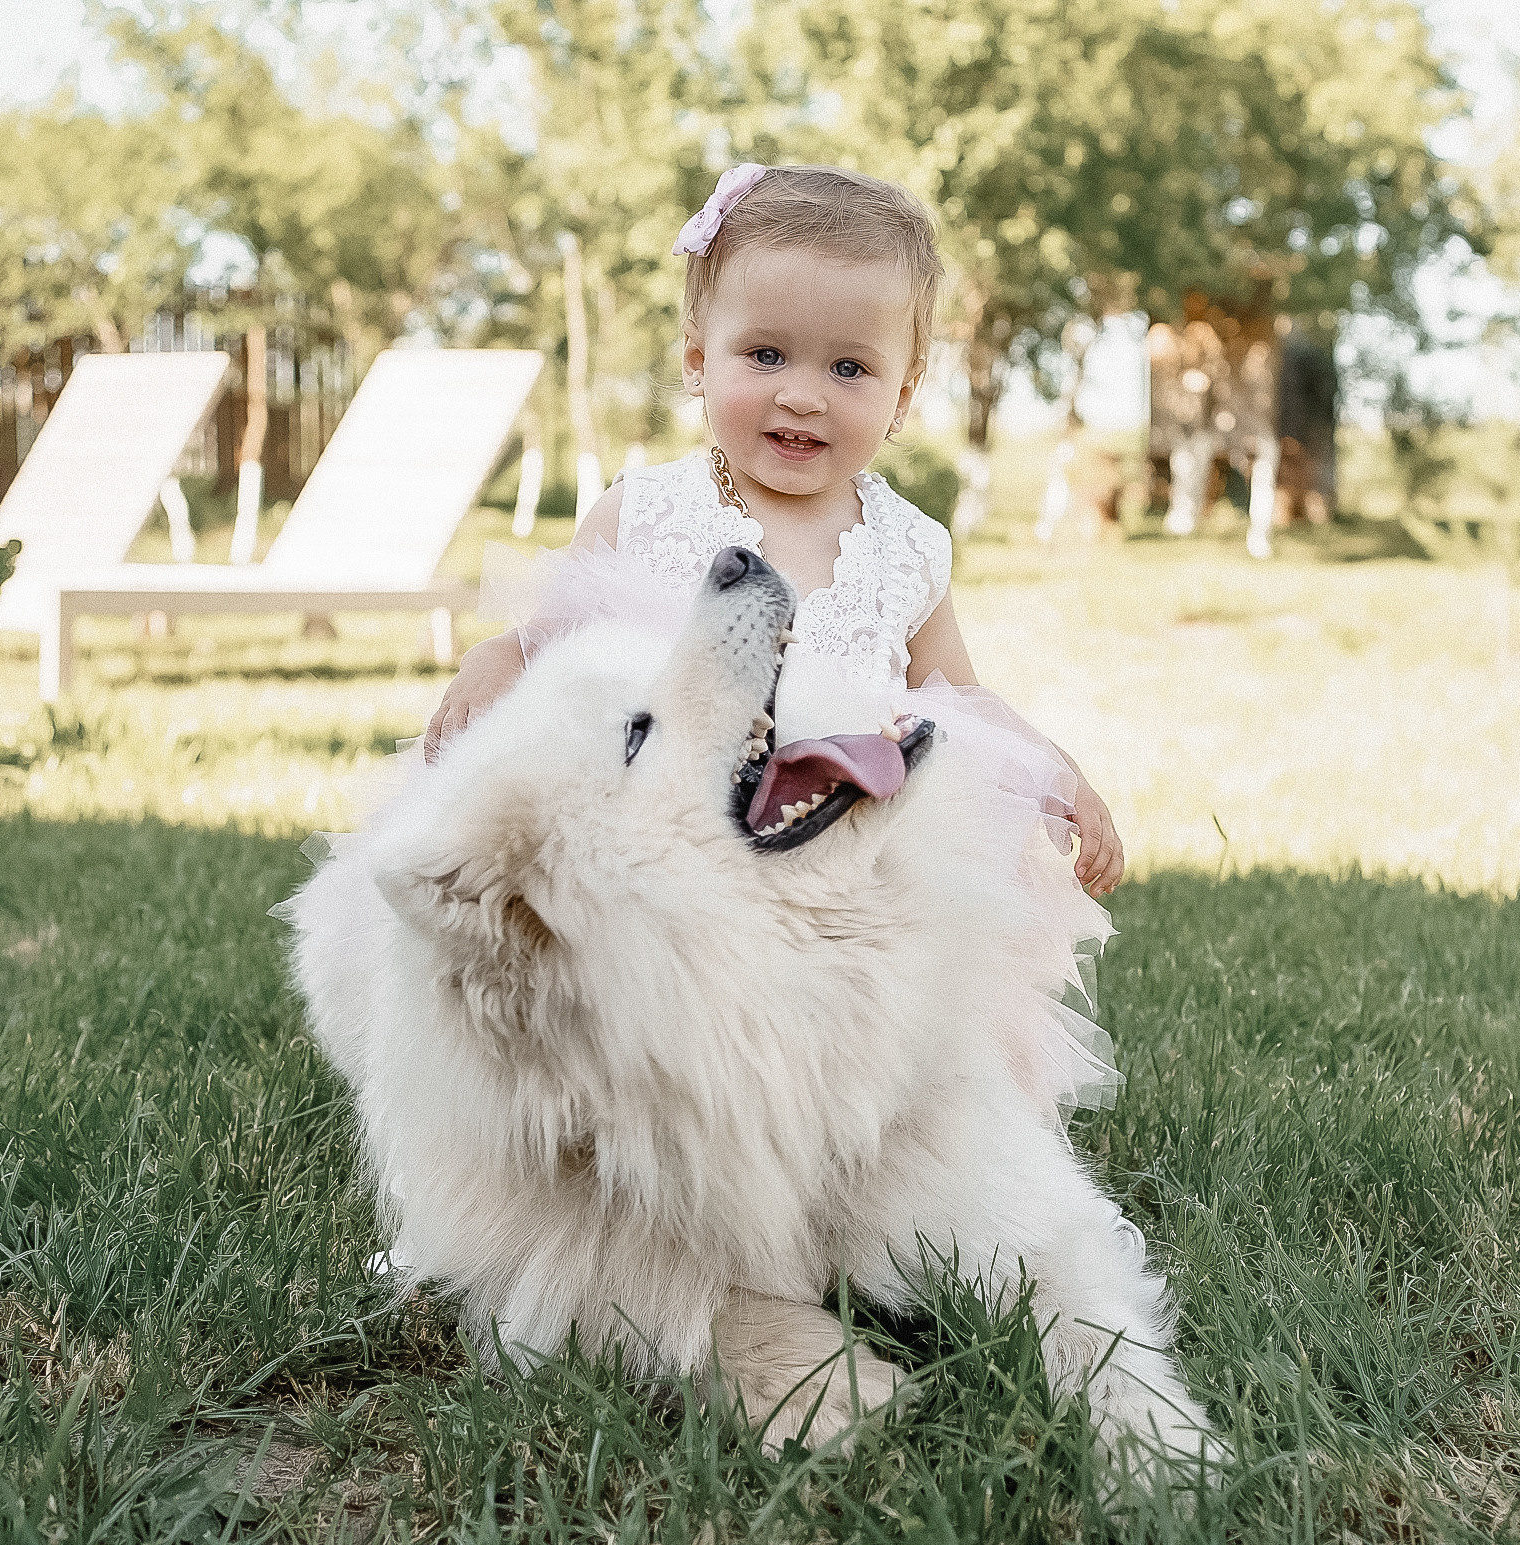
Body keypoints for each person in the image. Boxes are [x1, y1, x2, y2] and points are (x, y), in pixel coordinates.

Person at [419, 163, 1127, 1116]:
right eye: (764, 356)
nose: (803, 396)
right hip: (677, 849)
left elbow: (956, 695)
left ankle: (884, 1143)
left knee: (899, 1033)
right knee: (669, 1044)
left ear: (903, 393)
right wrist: (494, 659)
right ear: (698, 360)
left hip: (845, 854)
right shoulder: (652, 512)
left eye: (849, 368)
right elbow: (555, 645)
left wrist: (1052, 770)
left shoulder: (907, 546)